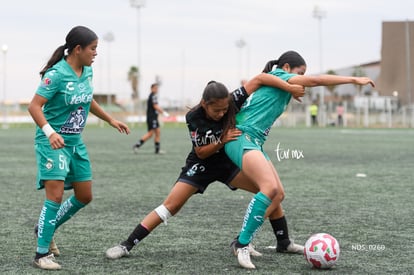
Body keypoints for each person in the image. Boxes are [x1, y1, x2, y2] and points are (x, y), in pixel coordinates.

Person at [105, 74, 305, 262]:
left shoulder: (232, 100)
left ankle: (283, 241)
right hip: (201, 164)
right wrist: (221, 140)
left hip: (227, 163)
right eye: (216, 110)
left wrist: (287, 85)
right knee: (171, 205)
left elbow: (260, 78)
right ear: (204, 104)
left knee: (270, 191)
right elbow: (201, 152)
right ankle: (126, 245)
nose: (221, 113)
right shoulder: (193, 117)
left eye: (224, 110)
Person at [225, 50, 375, 269]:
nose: (303, 77)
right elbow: (315, 80)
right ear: (286, 68)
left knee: (278, 193)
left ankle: (283, 242)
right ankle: (241, 243)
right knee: (268, 188)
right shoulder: (281, 75)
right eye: (300, 73)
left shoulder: (278, 81)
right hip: (241, 138)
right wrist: (353, 79)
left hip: (253, 141)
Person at [28, 26, 130, 270]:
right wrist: (50, 133)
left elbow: (88, 99)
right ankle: (41, 254)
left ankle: (43, 227)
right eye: (93, 49)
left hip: (75, 143)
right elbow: (34, 106)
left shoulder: (87, 71)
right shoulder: (56, 74)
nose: (96, 53)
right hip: (52, 142)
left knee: (85, 195)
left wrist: (110, 119)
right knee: (55, 196)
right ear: (77, 49)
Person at [132, 83, 169, 154]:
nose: (156, 89)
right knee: (150, 133)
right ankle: (137, 145)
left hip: (153, 118)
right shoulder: (153, 96)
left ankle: (157, 150)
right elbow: (155, 106)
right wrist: (163, 112)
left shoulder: (152, 96)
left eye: (157, 88)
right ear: (151, 89)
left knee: (157, 132)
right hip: (152, 118)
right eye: (155, 88)